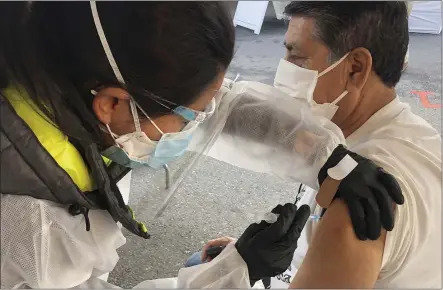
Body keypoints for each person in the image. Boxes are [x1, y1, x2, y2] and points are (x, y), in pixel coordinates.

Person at [0, 1, 405, 288]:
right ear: (110, 103)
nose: (201, 122)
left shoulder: (59, 78)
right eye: (190, 117)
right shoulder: (29, 226)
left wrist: (326, 156)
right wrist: (231, 275)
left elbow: (224, 108)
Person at [218, 1, 438, 288]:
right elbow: (219, 113)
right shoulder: (416, 135)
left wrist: (225, 278)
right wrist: (247, 260)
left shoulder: (363, 204)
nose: (282, 70)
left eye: (296, 58)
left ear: (355, 68)